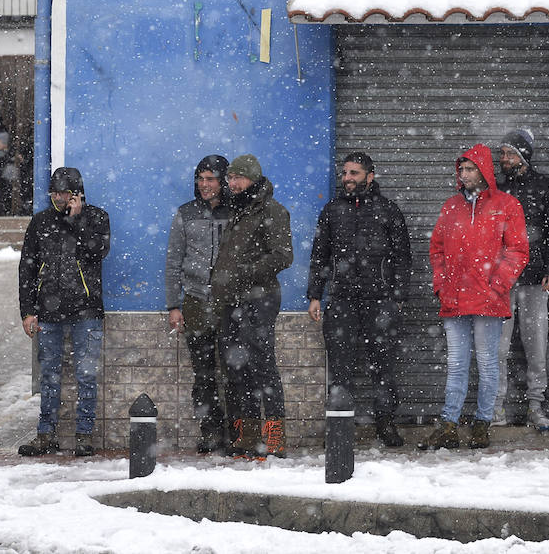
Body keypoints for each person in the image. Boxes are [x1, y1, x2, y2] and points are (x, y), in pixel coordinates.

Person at [420, 144, 528, 451]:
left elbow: (518, 250)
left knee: (487, 362)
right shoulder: (451, 206)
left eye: (469, 169)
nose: (464, 175)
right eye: (461, 170)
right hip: (454, 299)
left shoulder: (506, 205)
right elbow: (437, 249)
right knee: (456, 364)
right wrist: (441, 284)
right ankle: (449, 425)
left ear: (483, 171)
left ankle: (482, 424)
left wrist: (497, 285)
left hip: (488, 300)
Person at [308, 152, 411, 447]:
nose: (347, 179)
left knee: (383, 367)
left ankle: (385, 423)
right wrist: (315, 295)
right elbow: (319, 256)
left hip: (380, 301)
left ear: (370, 175)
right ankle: (341, 428)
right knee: (340, 368)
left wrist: (398, 296)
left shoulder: (388, 210)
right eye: (345, 173)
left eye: (354, 173)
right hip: (341, 300)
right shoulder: (332, 210)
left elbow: (403, 258)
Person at [17, 167, 111, 457]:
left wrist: (77, 220)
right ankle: (46, 434)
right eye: (55, 193)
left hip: (87, 309)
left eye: (65, 193)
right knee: (49, 375)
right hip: (48, 311)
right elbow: (27, 268)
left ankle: (84, 434)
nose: (58, 198)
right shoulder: (40, 222)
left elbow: (98, 251)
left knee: (85, 375)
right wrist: (27, 310)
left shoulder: (96, 217)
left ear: (77, 194)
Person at [210, 154, 293, 458]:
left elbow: (283, 256)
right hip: (232, 300)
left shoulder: (272, 210)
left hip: (260, 298)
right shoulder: (238, 210)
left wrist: (244, 272)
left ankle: (275, 437)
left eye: (239, 177)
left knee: (262, 364)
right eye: (230, 178)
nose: (233, 183)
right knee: (237, 366)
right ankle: (248, 435)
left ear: (253, 179)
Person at [495, 129, 549, 432]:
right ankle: (495, 408)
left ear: (524, 156)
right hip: (501, 280)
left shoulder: (544, 187)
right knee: (497, 348)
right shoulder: (495, 192)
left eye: (510, 154)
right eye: (502, 154)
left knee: (535, 347)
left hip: (535, 279)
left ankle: (536, 406)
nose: (504, 159)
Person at [165, 155, 232, 453]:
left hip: (232, 303)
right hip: (195, 301)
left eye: (211, 179)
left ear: (223, 181)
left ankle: (237, 431)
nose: (205, 185)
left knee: (234, 371)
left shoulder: (237, 212)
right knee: (203, 372)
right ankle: (211, 431)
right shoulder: (186, 213)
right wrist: (173, 305)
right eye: (201, 179)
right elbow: (173, 262)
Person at [0, 130, 20, 215]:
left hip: (7, 180)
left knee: (7, 197)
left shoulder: (9, 153)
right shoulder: (0, 154)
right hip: (2, 180)